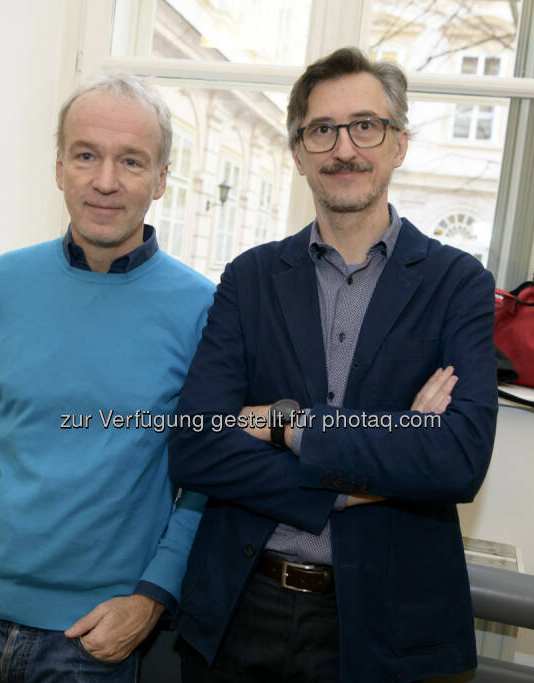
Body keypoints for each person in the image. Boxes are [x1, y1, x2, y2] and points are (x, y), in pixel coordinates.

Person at [168, 47, 498, 682]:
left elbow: (457, 460)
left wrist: (289, 426)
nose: (344, 148)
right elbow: (193, 447)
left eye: (366, 125)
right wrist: (368, 471)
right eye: (322, 130)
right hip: (240, 607)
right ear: (297, 153)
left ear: (399, 143)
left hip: (382, 620)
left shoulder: (457, 282)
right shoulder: (250, 277)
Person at [0, 73, 214, 682]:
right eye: (86, 155)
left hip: (92, 640)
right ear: (59, 167)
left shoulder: (204, 309)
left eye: (131, 161)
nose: (105, 181)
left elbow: (204, 479)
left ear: (161, 179)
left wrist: (153, 596)